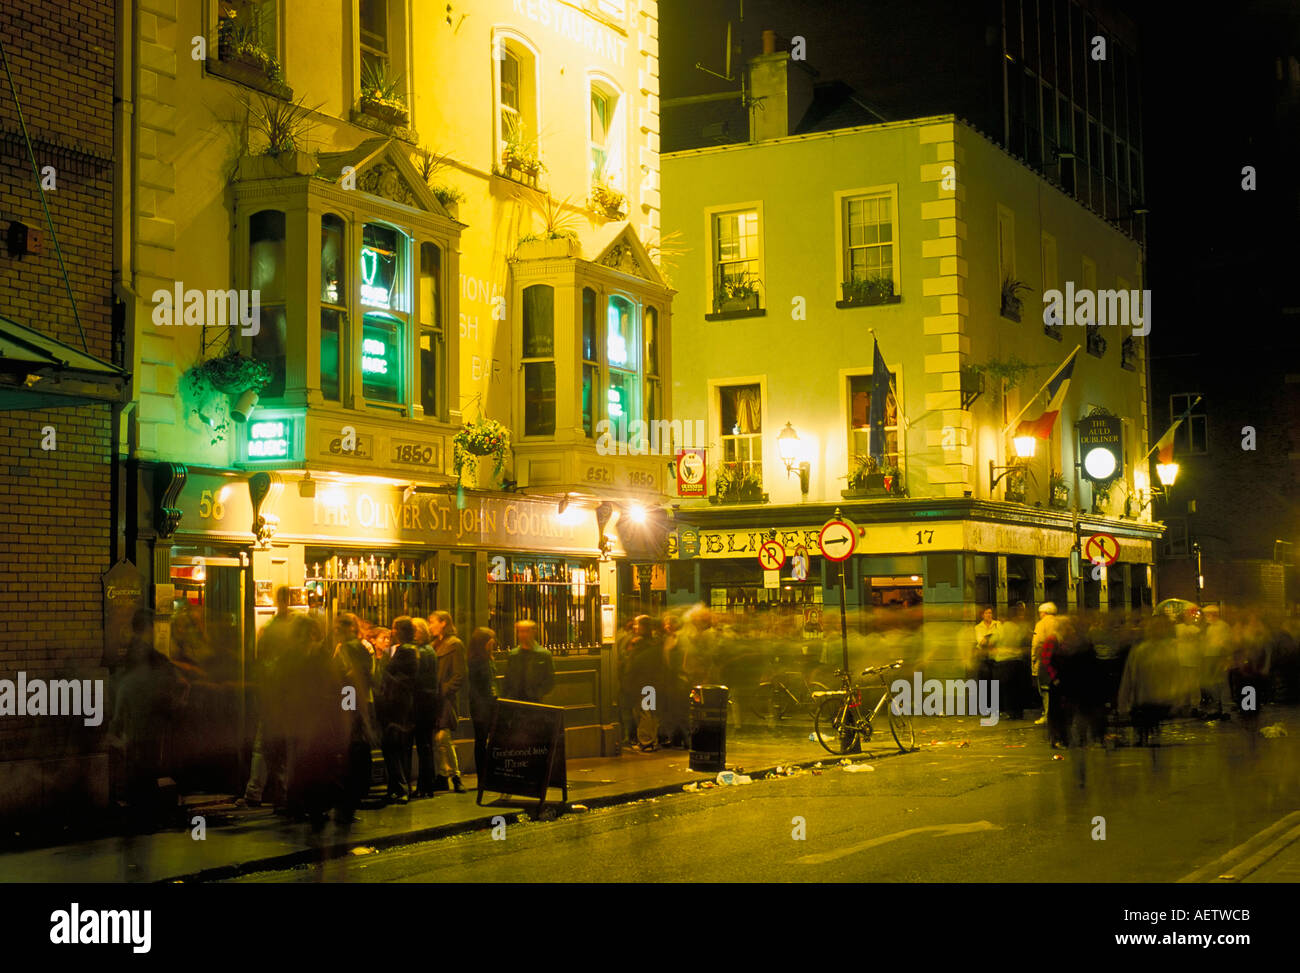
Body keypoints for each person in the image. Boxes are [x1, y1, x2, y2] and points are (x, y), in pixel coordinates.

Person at [239, 587, 294, 808]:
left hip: (275, 698)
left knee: (264, 747)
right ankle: (281, 793)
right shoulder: (293, 628)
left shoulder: (272, 629)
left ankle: (257, 792)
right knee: (282, 748)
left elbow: (260, 660)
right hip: (287, 698)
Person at [334, 613, 378, 823]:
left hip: (350, 703)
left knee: (349, 752)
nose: (335, 631)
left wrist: (346, 708)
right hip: (360, 703)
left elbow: (348, 680)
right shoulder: (361, 647)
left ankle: (347, 802)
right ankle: (353, 799)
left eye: (338, 627)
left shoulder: (348, 648)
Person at [377, 616, 418, 804]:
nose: (392, 631)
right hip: (401, 704)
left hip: (397, 706)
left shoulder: (406, 651)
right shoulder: (406, 650)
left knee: (393, 746)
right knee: (395, 747)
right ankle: (396, 787)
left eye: (394, 628)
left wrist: (383, 675)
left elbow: (391, 674)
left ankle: (400, 787)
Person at [430, 610, 468, 793]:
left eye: (433, 622)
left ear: (443, 622)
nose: (430, 626)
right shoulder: (435, 644)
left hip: (445, 700)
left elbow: (460, 674)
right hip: (435, 698)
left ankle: (455, 775)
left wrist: (444, 690)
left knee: (442, 737)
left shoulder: (454, 645)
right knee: (437, 738)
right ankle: (443, 775)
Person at [624, 615, 666, 751]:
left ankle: (647, 742)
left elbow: (637, 664)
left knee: (646, 711)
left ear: (645, 627)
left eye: (638, 625)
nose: (635, 627)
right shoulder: (652, 643)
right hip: (648, 683)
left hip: (646, 683)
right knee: (648, 711)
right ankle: (651, 740)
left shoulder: (646, 645)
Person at [466, 628, 499, 781]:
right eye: (490, 641)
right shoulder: (477, 662)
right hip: (482, 707)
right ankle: (483, 775)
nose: (493, 643)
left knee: (487, 740)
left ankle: (488, 773)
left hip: (489, 705)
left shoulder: (487, 658)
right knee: (481, 741)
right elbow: (482, 685)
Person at [412, 617, 440, 797]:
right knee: (426, 745)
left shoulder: (423, 651)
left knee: (424, 745)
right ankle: (426, 784)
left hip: (422, 703)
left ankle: (425, 785)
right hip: (428, 702)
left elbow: (419, 677)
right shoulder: (429, 650)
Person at [501, 619, 555, 703]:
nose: (523, 635)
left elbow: (550, 679)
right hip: (515, 699)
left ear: (534, 632)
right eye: (520, 631)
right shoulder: (513, 654)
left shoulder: (544, 654)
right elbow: (507, 679)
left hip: (535, 700)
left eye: (526, 631)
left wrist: (538, 693)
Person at [1031, 602, 1058, 725]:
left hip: (1044, 660)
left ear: (1043, 612)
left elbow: (1036, 644)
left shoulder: (1041, 624)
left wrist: (1033, 660)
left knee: (1045, 690)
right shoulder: (1059, 623)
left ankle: (1047, 715)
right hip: (1058, 660)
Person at [972, 607, 1001, 685]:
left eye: (990, 613)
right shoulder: (978, 627)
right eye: (986, 613)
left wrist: (986, 637)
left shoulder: (997, 624)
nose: (989, 615)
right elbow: (981, 642)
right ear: (982, 615)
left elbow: (1001, 638)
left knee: (995, 682)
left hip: (995, 657)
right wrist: (992, 637)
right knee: (984, 682)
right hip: (983, 657)